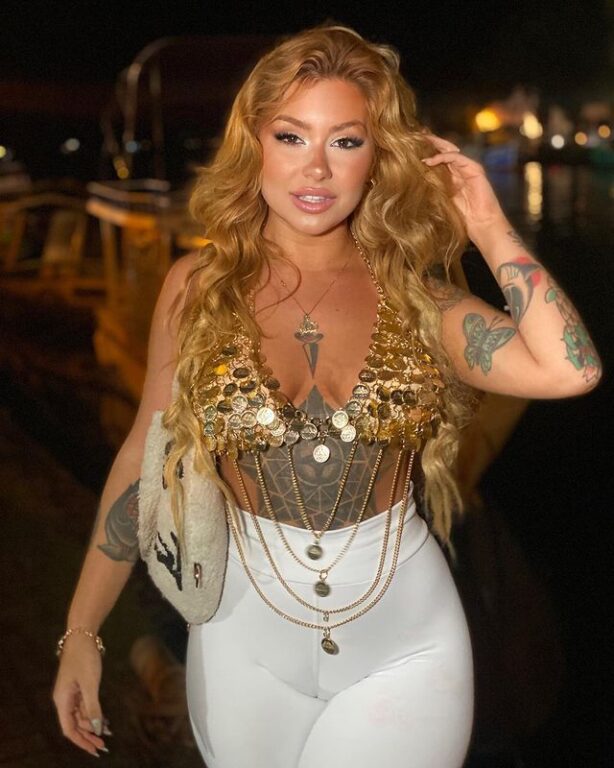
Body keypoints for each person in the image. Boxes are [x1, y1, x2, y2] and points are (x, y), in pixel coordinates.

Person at [52, 24, 602, 768]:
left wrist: (488, 225)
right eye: (291, 136)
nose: (316, 167)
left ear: (377, 158)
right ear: (254, 144)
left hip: (406, 647)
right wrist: (82, 630)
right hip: (242, 641)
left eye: (345, 141)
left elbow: (570, 370)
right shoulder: (198, 291)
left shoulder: (419, 300)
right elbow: (140, 462)